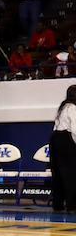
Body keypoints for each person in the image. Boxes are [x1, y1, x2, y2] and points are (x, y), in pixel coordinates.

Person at [50, 84, 76, 213]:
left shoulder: (63, 107)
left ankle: (58, 204)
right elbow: (75, 129)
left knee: (58, 173)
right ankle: (72, 205)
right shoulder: (73, 108)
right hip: (66, 139)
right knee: (71, 173)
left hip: (55, 138)